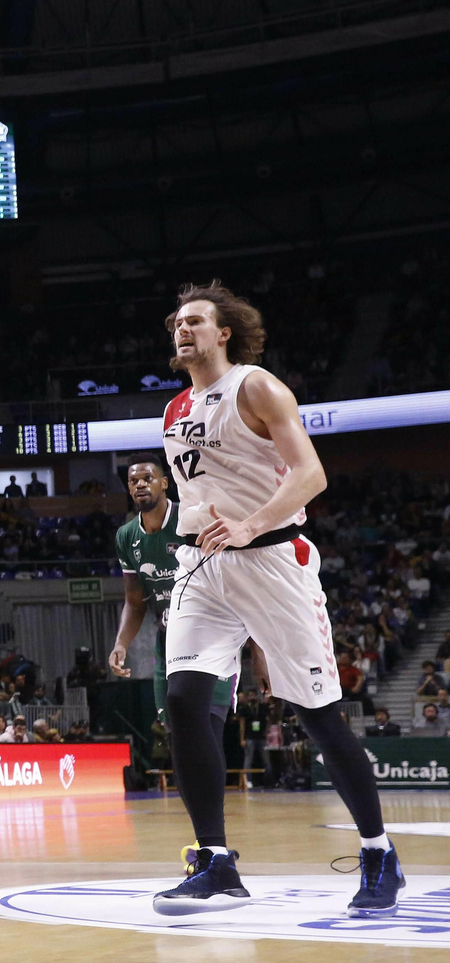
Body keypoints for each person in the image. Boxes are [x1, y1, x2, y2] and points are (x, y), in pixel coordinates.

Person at [152, 281, 399, 918]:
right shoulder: (175, 409)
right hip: (204, 565)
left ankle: (379, 854)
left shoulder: (255, 386)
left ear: (223, 332)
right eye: (177, 322)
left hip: (272, 559)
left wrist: (251, 523)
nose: (183, 329)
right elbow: (206, 493)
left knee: (317, 715)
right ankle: (216, 863)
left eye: (196, 321)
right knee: (183, 697)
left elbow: (310, 475)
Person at [108, 456, 236, 754]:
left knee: (208, 727)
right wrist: (121, 644)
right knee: (175, 734)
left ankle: (212, 800)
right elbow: (134, 601)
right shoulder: (126, 536)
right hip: (167, 642)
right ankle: (195, 800)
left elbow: (233, 583)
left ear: (165, 483)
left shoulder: (190, 520)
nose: (140, 484)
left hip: (210, 636)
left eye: (148, 478)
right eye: (133, 481)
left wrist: (258, 651)